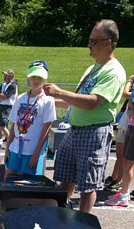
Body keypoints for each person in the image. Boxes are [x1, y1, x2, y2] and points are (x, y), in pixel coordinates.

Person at [44, 19, 126, 213]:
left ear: (108, 42)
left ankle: (82, 228)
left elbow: (92, 102)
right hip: (74, 129)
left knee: (87, 187)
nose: (88, 45)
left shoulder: (114, 71)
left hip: (94, 132)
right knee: (65, 178)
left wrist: (59, 92)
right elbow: (76, 100)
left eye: (93, 41)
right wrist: (46, 101)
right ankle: (61, 216)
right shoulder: (92, 69)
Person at [4, 61, 56, 180]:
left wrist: (36, 153)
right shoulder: (21, 98)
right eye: (33, 77)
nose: (36, 80)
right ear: (28, 78)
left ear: (45, 79)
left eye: (40, 77)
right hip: (15, 148)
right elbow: (13, 125)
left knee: (26, 182)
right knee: (8, 178)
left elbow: (46, 129)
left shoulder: (48, 101)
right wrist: (7, 148)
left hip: (31, 151)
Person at [105, 84, 134, 207]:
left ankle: (123, 197)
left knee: (128, 163)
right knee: (127, 162)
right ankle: (124, 192)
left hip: (133, 126)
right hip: (132, 125)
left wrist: (131, 109)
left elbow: (132, 108)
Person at [0, 69, 17, 148]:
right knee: (0, 124)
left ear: (10, 76)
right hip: (2, 105)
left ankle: (12, 141)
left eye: (6, 75)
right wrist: (0, 95)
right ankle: (0, 141)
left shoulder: (13, 85)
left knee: (3, 124)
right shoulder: (3, 84)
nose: (4, 76)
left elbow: (3, 96)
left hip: (8, 106)